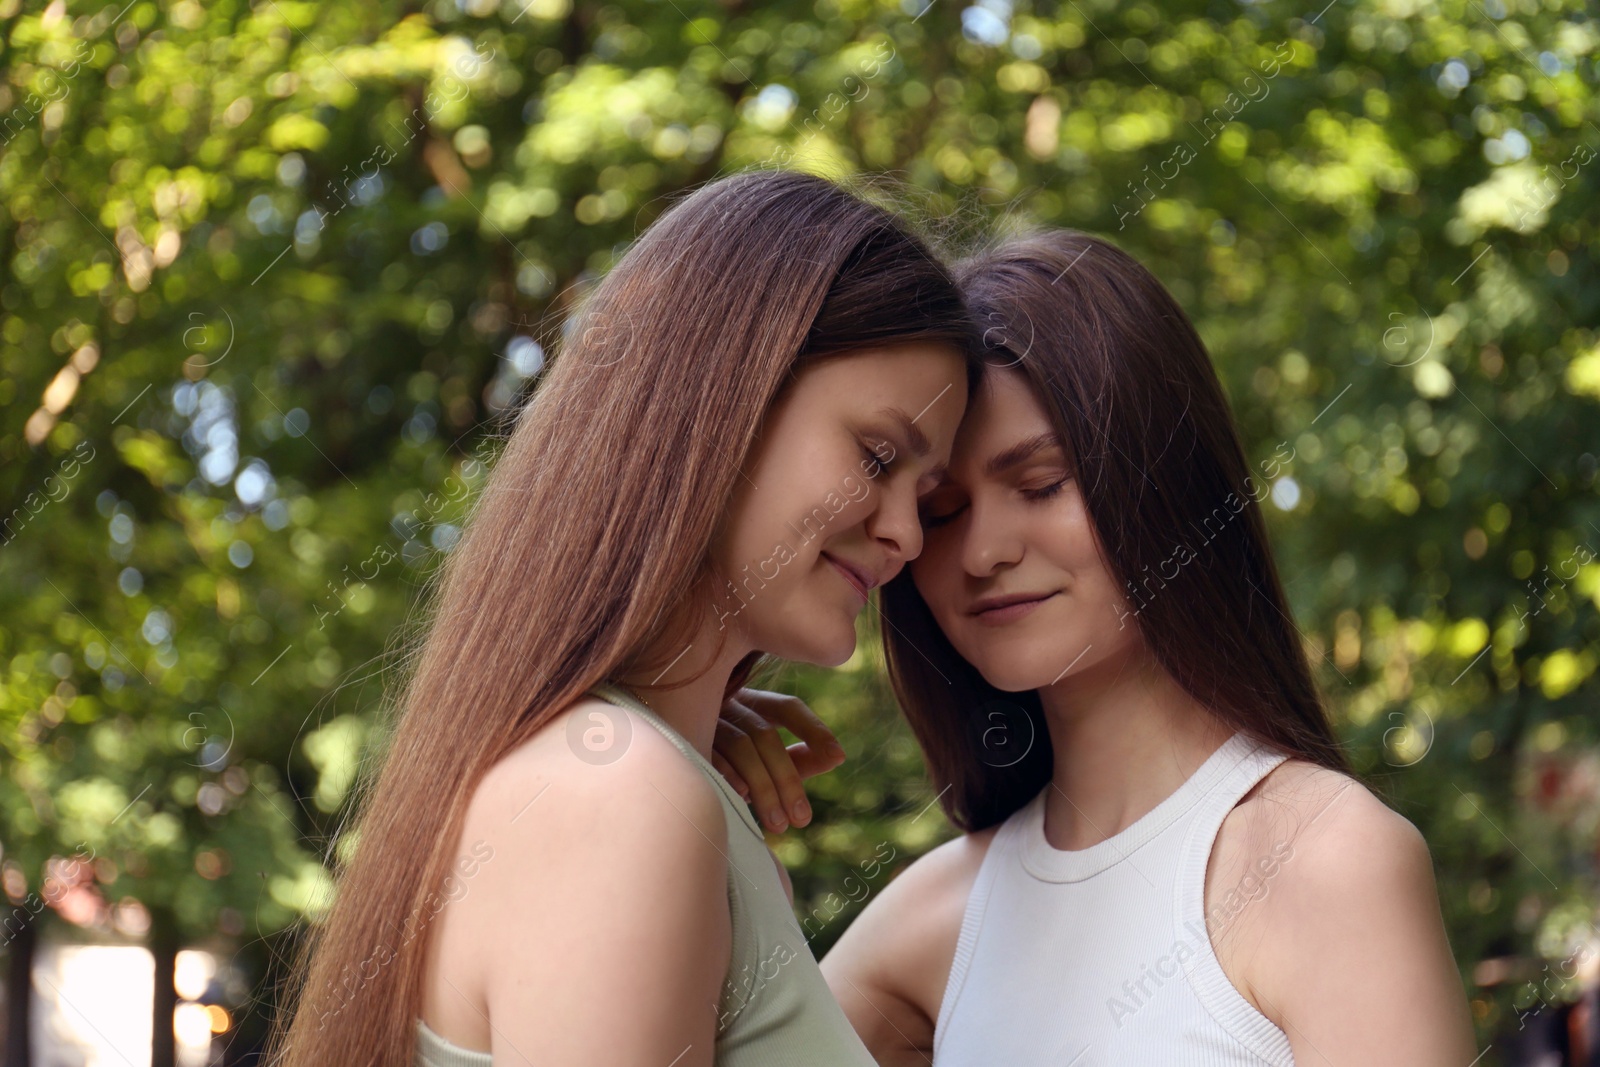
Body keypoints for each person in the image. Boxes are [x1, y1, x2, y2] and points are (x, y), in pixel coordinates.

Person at [263, 169, 981, 1067]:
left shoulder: (629, 784)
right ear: (722, 394)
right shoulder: (617, 799)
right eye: (877, 457)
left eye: (927, 495)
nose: (907, 533)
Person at [713, 230, 1480, 1065]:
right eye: (940, 512)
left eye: (1040, 484)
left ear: (1164, 475)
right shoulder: (937, 918)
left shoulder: (1328, 861)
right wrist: (689, 762)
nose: (982, 551)